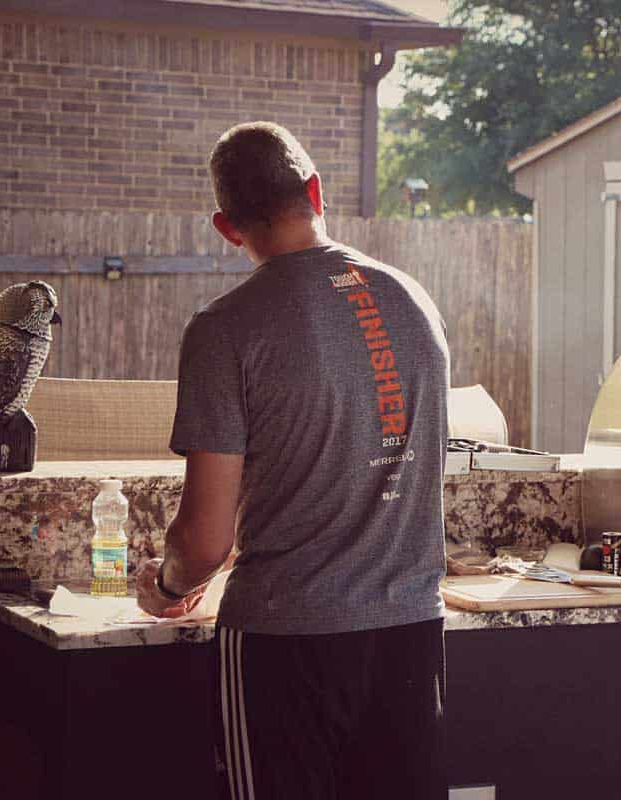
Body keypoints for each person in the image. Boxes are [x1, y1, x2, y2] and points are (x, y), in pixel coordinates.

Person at [135, 121, 450, 799]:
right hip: (411, 633)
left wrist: (162, 587)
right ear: (314, 190)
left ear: (227, 228)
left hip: (289, 641)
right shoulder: (413, 299)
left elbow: (204, 542)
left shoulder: (225, 329)